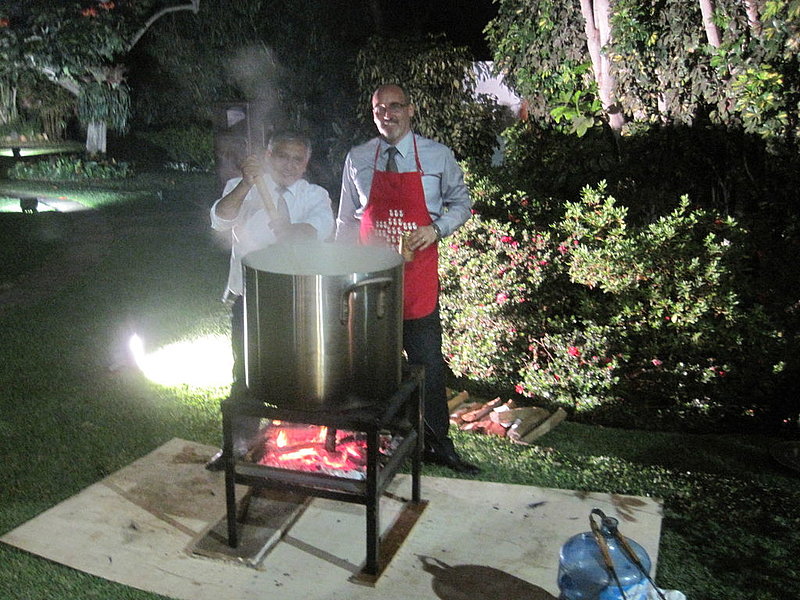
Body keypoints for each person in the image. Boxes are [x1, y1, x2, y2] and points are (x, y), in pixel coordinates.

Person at [336, 84, 480, 475]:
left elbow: (461, 204)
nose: (388, 114)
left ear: (410, 110)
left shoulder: (437, 155)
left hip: (416, 279)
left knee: (427, 365)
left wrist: (435, 229)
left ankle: (437, 444)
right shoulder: (358, 157)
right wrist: (338, 270)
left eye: (395, 106)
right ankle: (370, 439)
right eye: (380, 108)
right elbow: (346, 219)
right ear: (373, 113)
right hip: (369, 282)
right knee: (370, 365)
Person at [206, 130, 335, 470]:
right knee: (246, 372)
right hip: (251, 297)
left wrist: (290, 229)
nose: (289, 165)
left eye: (297, 159)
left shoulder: (314, 195)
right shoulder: (242, 187)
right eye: (282, 156)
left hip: (298, 298)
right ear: (268, 156)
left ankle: (298, 447)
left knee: (300, 372)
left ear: (306, 163)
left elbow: (318, 229)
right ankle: (237, 445)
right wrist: (246, 185)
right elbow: (220, 220)